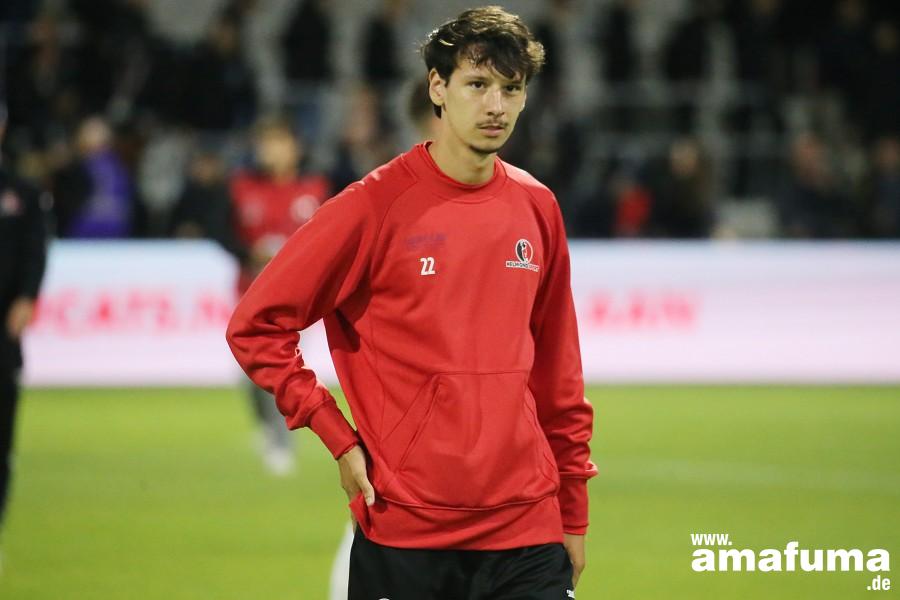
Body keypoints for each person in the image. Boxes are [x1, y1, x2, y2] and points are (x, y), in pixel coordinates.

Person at [226, 7, 597, 598]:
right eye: (477, 84)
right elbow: (255, 325)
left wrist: (572, 512)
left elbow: (559, 377)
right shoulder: (372, 206)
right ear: (437, 88)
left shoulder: (537, 206)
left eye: (511, 89)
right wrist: (333, 431)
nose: (496, 105)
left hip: (525, 531)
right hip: (405, 531)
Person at [229, 117, 330, 475]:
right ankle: (267, 429)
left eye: (279, 143)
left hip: (296, 299)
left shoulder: (314, 189)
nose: (271, 151)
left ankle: (281, 442)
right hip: (250, 295)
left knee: (279, 366)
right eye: (266, 143)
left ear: (294, 148)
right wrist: (249, 253)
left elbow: (327, 240)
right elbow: (225, 233)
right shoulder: (242, 188)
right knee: (248, 373)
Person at [0, 103, 49, 572]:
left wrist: (28, 296)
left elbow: (36, 250)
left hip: (2, 337)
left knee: (1, 445)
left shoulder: (22, 192)